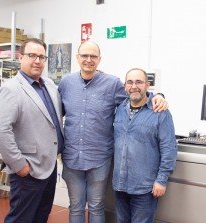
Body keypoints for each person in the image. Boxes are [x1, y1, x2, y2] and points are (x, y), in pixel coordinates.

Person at [58, 41, 168, 223]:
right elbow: (55, 114)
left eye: (93, 56)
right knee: (76, 206)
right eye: (84, 55)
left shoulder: (112, 84)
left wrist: (158, 96)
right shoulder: (66, 83)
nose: (88, 59)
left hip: (99, 158)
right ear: (77, 58)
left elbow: (137, 96)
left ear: (99, 59)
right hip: (72, 157)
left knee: (95, 205)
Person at [0, 38, 64, 223]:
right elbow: (0, 130)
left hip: (49, 166)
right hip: (28, 169)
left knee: (41, 215)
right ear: (20, 57)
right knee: (21, 218)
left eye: (41, 57)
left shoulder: (49, 85)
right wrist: (19, 165)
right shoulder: (11, 89)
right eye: (32, 55)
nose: (37, 61)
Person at [113, 68, 177, 223]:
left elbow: (169, 149)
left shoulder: (160, 112)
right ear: (125, 86)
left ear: (148, 85)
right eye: (130, 82)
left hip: (145, 188)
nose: (134, 86)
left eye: (139, 82)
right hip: (119, 185)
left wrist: (161, 180)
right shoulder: (119, 109)